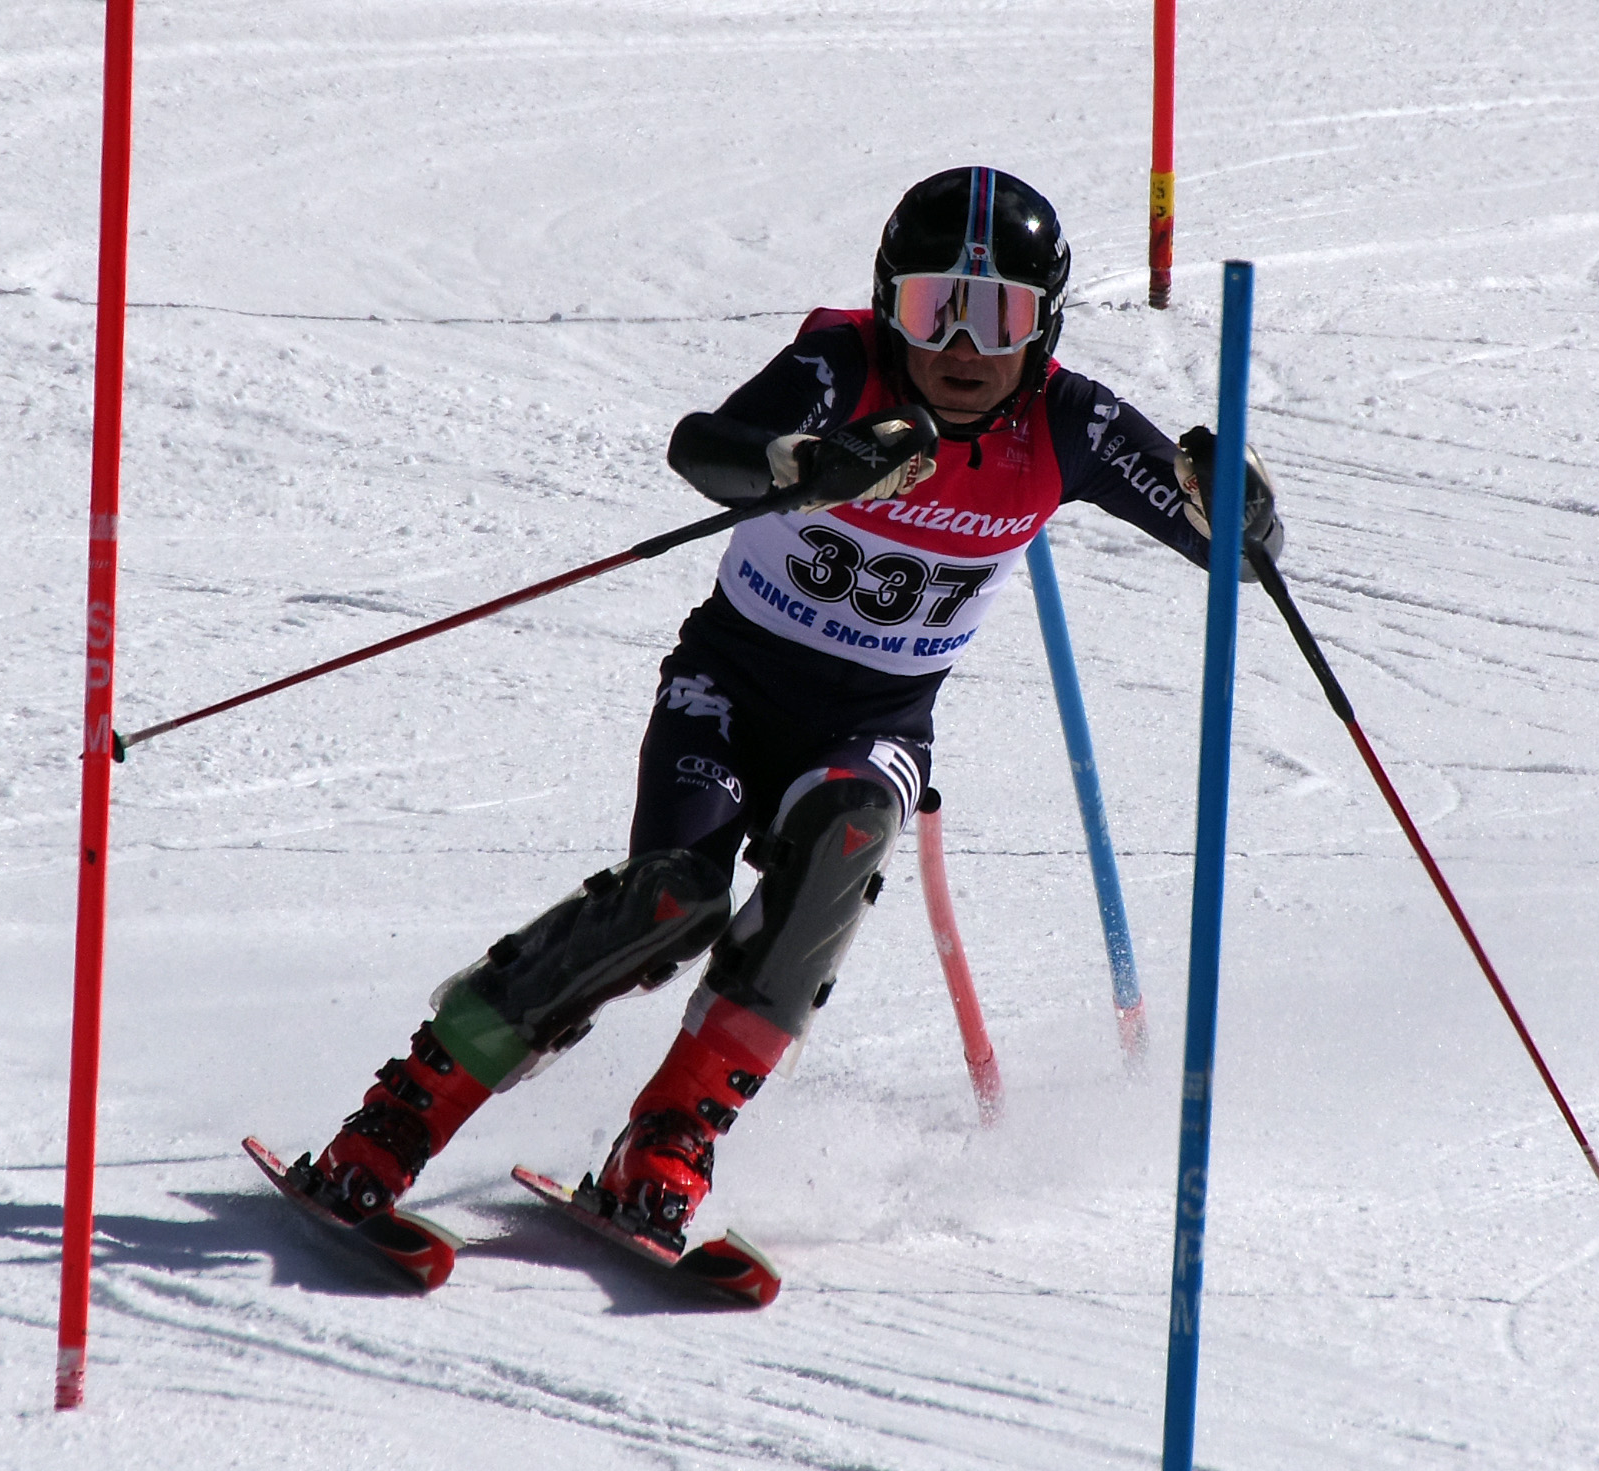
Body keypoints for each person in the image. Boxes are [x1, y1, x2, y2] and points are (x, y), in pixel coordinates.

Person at [281, 166, 1281, 1279]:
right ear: (886, 303)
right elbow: (702, 445)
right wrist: (800, 465)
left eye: (997, 317)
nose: (961, 344)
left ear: (1043, 326)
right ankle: (403, 1111)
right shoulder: (842, 364)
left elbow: (1234, 553)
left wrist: (1237, 503)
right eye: (931, 307)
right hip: (731, 688)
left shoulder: (1069, 421)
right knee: (669, 899)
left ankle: (668, 1139)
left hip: (877, 722)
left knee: (844, 837)